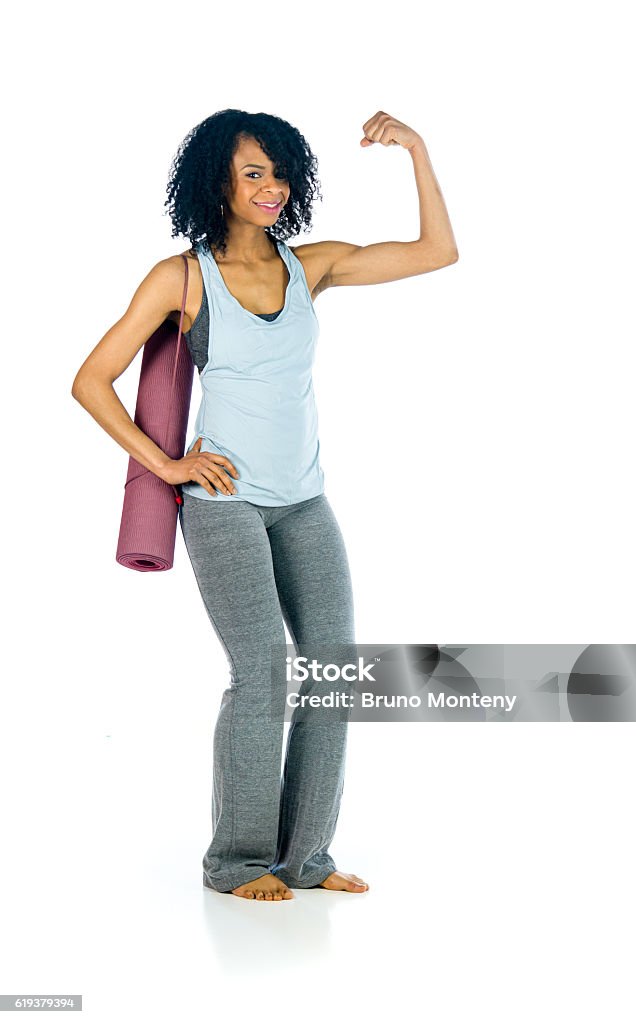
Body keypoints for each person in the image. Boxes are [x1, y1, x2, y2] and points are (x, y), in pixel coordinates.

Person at [71, 108, 459, 901]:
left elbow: (436, 252)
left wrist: (416, 149)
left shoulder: (309, 266)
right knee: (263, 675)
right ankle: (236, 862)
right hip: (226, 503)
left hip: (305, 500)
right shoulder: (180, 278)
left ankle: (305, 857)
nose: (271, 187)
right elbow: (89, 378)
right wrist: (170, 466)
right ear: (218, 181)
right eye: (253, 173)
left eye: (279, 173)